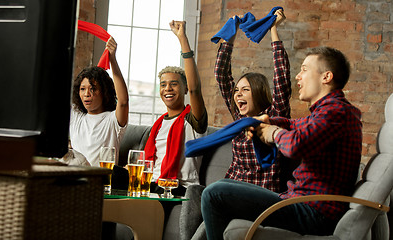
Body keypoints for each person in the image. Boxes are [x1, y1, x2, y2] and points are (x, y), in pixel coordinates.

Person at [201, 46, 362, 239]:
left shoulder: (336, 112)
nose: (298, 77)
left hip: (313, 211)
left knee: (214, 194)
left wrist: (273, 132)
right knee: (222, 184)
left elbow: (295, 146)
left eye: (304, 69)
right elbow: (295, 124)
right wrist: (269, 120)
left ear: (326, 77)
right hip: (299, 203)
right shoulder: (326, 112)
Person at [217, 9, 291, 193]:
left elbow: (281, 78)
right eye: (236, 91)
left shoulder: (274, 117)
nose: (237, 94)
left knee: (209, 195)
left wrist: (273, 29)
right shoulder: (239, 118)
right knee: (196, 192)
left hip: (260, 195)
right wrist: (230, 38)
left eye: (245, 90)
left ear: (257, 93)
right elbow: (221, 75)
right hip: (232, 189)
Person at [144, 20, 207, 197]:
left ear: (185, 88)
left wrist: (182, 39)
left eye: (174, 84)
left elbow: (196, 89)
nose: (167, 89)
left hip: (178, 188)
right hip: (152, 183)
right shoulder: (158, 125)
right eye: (163, 85)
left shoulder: (193, 121)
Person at [69, 36, 129, 166]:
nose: (86, 94)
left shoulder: (112, 120)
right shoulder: (76, 116)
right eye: (82, 89)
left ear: (105, 92)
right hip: (73, 180)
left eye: (93, 89)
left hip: (102, 181)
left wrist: (112, 59)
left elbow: (123, 101)